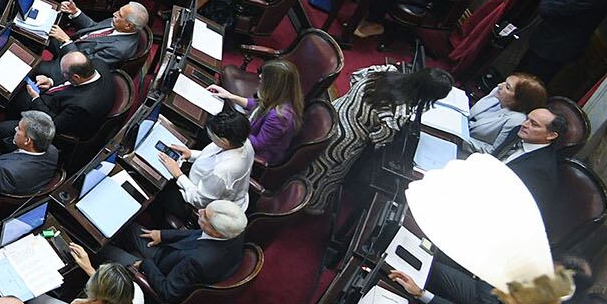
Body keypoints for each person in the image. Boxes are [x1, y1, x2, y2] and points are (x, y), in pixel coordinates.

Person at [296, 63, 456, 214]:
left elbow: (355, 76)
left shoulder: (386, 70)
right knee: (323, 176)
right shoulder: (399, 110)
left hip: (332, 113)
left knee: (306, 159)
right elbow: (379, 139)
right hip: (342, 143)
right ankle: (307, 203)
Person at [102, 200, 250, 301]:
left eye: (204, 215)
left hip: (157, 269)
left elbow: (168, 292)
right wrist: (163, 235)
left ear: (217, 233)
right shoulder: (236, 228)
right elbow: (198, 234)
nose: (199, 211)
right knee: (127, 225)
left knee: (104, 250)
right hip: (170, 252)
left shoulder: (198, 261)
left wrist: (145, 265)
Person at [209, 57, 304, 166]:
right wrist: (230, 96)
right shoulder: (282, 96)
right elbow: (258, 105)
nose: (259, 76)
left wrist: (234, 128)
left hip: (257, 153)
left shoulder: (279, 117)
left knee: (213, 132)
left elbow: (258, 145)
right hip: (249, 132)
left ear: (273, 83)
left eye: (264, 75)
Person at [158, 107, 255, 211]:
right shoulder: (243, 142)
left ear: (224, 141)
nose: (210, 138)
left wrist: (178, 175)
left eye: (212, 136)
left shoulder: (222, 172)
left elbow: (199, 201)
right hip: (201, 183)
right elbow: (214, 156)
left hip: (204, 205)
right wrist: (190, 154)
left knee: (160, 193)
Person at [16, 50, 117, 143]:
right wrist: (51, 81)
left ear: (76, 77)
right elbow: (70, 78)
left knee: (15, 101)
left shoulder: (81, 106)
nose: (61, 74)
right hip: (60, 95)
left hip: (53, 114)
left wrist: (35, 98)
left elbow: (53, 125)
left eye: (63, 73)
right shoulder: (98, 64)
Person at [45, 0, 149, 75]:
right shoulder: (119, 23)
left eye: (119, 15)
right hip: (73, 45)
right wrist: (75, 12)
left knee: (34, 61)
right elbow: (94, 27)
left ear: (128, 26)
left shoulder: (119, 50)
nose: (114, 14)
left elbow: (85, 65)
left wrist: (66, 41)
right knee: (39, 30)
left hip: (72, 65)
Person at [500, 108, 565, 220]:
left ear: (551, 135)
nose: (524, 124)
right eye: (527, 119)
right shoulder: (518, 132)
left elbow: (515, 206)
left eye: (534, 124)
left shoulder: (542, 170)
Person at [463, 73, 546, 157]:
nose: (499, 85)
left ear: (519, 99)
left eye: (507, 87)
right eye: (504, 82)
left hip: (468, 153)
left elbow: (493, 152)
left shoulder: (516, 120)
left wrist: (459, 140)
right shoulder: (497, 93)